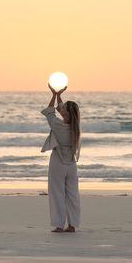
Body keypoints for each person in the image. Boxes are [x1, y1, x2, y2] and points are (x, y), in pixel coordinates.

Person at [40, 83, 81, 233]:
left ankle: (59, 225)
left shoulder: (57, 125)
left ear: (66, 114)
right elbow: (61, 109)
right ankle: (72, 225)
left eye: (63, 109)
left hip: (58, 163)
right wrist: (59, 96)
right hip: (71, 165)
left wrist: (53, 94)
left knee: (57, 193)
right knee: (72, 195)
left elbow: (50, 111)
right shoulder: (76, 128)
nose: (60, 108)